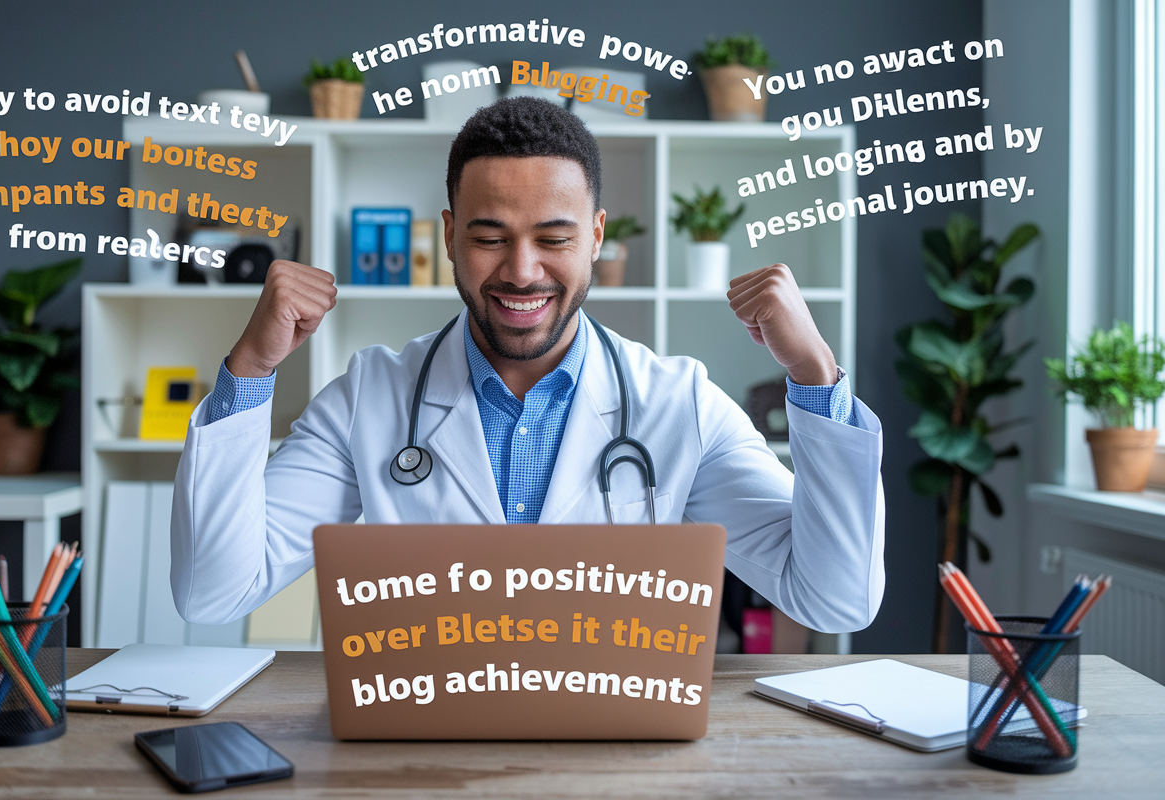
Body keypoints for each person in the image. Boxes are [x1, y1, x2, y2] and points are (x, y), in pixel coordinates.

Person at [170, 97, 884, 633]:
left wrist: (816, 377)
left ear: (596, 236)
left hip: (612, 760)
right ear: (449, 235)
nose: (521, 271)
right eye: (489, 237)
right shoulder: (372, 396)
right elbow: (213, 593)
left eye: (553, 237)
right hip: (423, 755)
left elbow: (834, 598)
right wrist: (251, 370)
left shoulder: (678, 404)